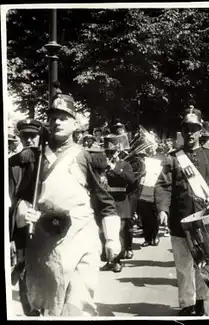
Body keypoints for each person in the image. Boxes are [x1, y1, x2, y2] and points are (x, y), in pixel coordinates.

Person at [10, 93, 121, 316]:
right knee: (50, 306)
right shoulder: (33, 157)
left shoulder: (87, 156)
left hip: (81, 237)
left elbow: (105, 201)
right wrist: (23, 211)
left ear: (75, 123)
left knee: (78, 304)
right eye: (53, 118)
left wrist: (111, 238)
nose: (58, 122)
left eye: (64, 117)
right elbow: (20, 197)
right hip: (45, 242)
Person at [154, 106, 209, 316]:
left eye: (194, 129)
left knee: (203, 265)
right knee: (183, 266)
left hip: (205, 221)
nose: (190, 133)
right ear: (182, 131)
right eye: (186, 129)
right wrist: (163, 209)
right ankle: (187, 305)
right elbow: (163, 185)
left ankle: (200, 301)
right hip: (180, 222)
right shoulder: (172, 158)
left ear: (200, 131)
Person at [100, 135, 136, 272]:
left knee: (117, 233)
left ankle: (117, 261)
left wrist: (114, 169)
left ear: (118, 152)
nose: (110, 154)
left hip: (120, 202)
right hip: (105, 201)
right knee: (105, 232)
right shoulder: (102, 165)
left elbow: (131, 181)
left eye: (113, 152)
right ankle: (110, 259)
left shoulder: (124, 165)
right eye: (108, 152)